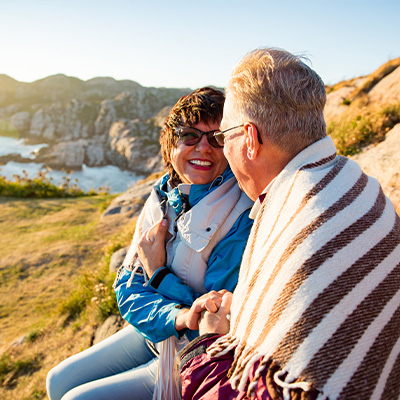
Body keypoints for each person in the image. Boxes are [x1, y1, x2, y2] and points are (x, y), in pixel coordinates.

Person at [179, 49, 400, 400]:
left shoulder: (295, 220)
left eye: (223, 137)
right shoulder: (356, 183)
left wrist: (208, 342)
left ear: (249, 139)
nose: (221, 149)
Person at [46, 87, 254, 400]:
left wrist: (158, 273)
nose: (204, 148)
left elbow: (214, 317)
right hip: (157, 333)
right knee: (57, 380)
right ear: (171, 143)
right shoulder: (162, 195)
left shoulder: (241, 213)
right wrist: (175, 315)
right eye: (189, 136)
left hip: (190, 352)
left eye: (217, 138)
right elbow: (128, 286)